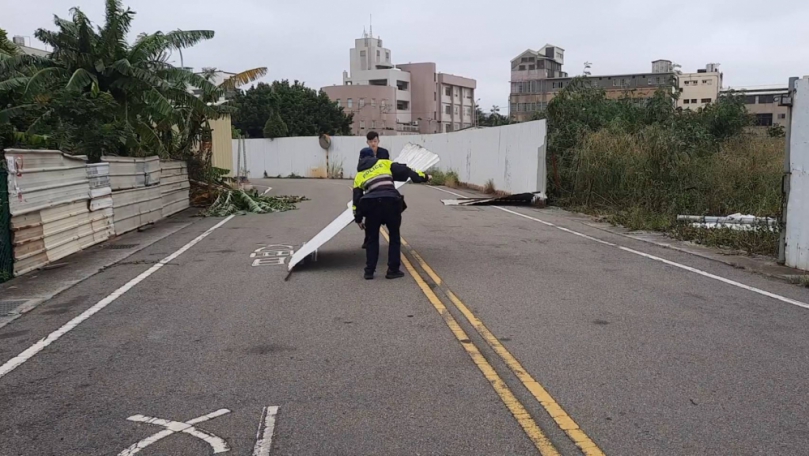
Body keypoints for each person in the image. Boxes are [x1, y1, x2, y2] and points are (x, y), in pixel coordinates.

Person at [353, 149, 430, 280]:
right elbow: (407, 171)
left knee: (372, 239)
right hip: (391, 202)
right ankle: (393, 270)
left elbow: (356, 199)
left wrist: (358, 218)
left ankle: (369, 271)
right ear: (374, 156)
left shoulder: (359, 175)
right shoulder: (384, 163)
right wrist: (424, 177)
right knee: (394, 237)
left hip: (372, 205)